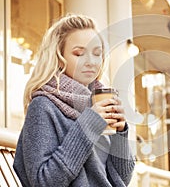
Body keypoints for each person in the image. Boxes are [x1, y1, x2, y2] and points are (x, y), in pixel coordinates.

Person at [13, 14, 135, 187]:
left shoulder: (96, 103)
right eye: (79, 53)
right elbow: (44, 182)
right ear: (59, 57)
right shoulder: (43, 106)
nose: (91, 62)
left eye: (97, 53)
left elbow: (121, 180)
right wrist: (88, 126)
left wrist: (121, 133)